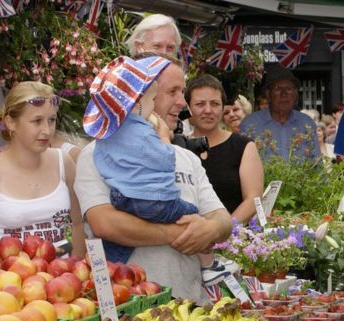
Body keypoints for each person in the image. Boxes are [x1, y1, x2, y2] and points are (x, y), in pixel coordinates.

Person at [75, 55, 232, 302]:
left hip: (191, 307)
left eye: (183, 92)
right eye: (172, 92)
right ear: (141, 97)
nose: (182, 102)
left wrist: (210, 229)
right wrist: (180, 235)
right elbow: (104, 223)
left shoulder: (185, 157)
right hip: (129, 309)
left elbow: (222, 219)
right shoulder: (97, 154)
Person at [0, 81, 85, 256]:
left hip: (63, 279)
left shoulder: (63, 162)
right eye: (37, 121)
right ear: (11, 123)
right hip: (9, 280)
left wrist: (76, 269)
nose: (47, 130)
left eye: (51, 120)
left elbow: (78, 224)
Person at [185, 74, 264, 224]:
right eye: (200, 104)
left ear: (222, 107)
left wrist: (220, 232)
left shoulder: (243, 146)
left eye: (215, 104)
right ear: (188, 108)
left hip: (232, 240)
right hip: (186, 240)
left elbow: (253, 199)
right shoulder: (178, 147)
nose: (208, 110)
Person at [240, 64, 319, 161]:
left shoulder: (306, 123)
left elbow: (317, 164)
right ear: (268, 95)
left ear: (295, 95)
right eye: (277, 89)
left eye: (288, 89)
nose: (284, 94)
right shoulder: (250, 124)